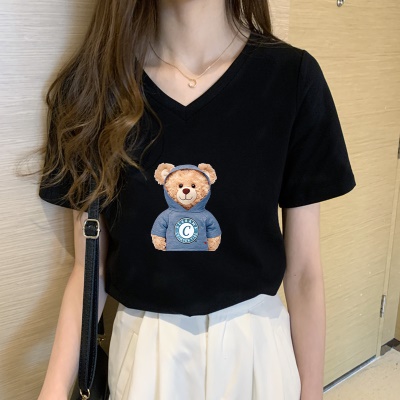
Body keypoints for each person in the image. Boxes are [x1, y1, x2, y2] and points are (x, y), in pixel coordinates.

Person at [37, 0, 356, 399]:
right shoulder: (92, 88)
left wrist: (312, 391)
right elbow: (89, 271)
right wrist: (53, 389)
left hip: (259, 354)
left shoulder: (291, 78)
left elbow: (304, 271)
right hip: (145, 360)